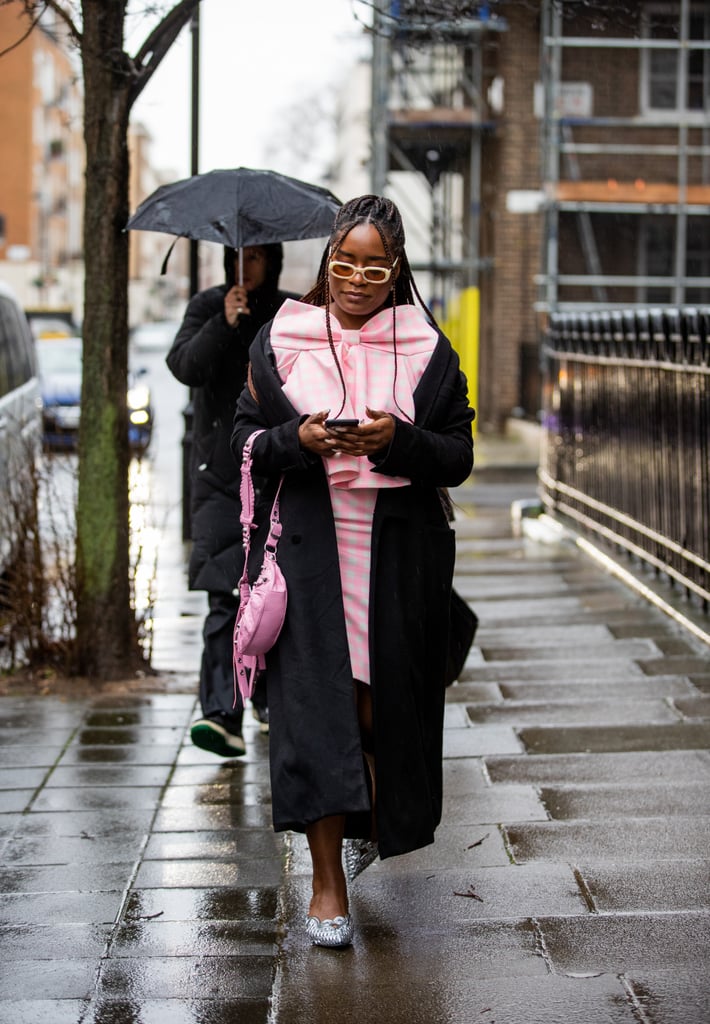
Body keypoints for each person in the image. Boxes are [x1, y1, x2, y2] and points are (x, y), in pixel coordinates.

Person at [231, 195, 475, 947]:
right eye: (345, 261)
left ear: (396, 269)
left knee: (379, 711)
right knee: (316, 715)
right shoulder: (283, 338)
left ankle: (366, 819)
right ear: (326, 260)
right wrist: (298, 438)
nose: (358, 277)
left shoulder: (429, 350)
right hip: (308, 550)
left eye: (375, 265)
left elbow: (458, 456)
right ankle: (327, 882)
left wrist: (395, 440)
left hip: (394, 557)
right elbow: (245, 439)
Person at [167, 243, 298, 758]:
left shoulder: (291, 311)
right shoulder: (206, 306)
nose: (247, 267)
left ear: (274, 262)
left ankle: (267, 699)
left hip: (274, 469)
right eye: (238, 257)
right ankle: (222, 715)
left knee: (276, 593)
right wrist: (223, 322)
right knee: (225, 596)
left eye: (258, 257)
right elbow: (184, 366)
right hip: (219, 476)